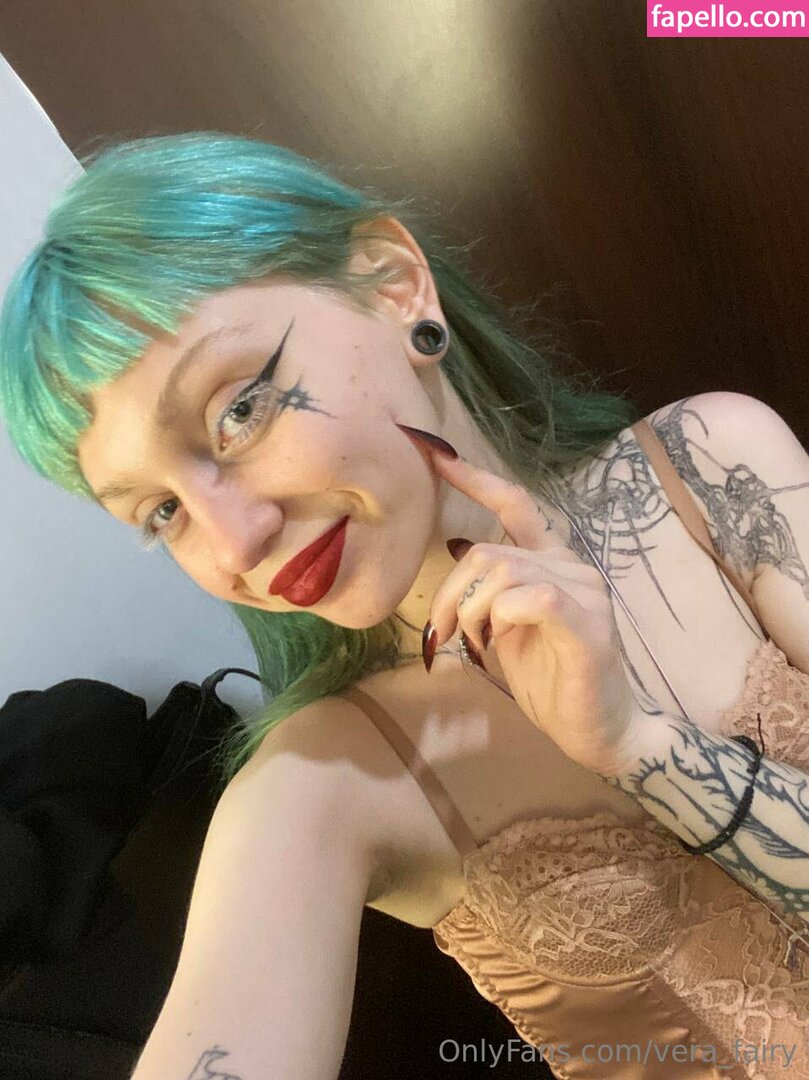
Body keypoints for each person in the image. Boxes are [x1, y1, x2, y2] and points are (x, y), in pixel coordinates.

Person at [1, 132, 807, 1080]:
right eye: (162, 512)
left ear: (393, 286)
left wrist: (637, 744)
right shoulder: (321, 781)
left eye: (238, 411)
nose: (233, 544)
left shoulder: (711, 468)